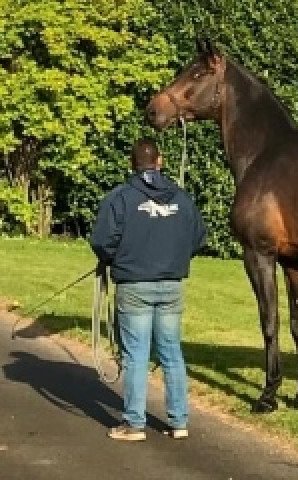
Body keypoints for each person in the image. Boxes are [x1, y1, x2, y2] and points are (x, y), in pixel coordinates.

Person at [90, 137, 206, 441]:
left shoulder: (120, 198)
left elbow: (102, 241)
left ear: (132, 163)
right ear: (160, 161)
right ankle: (179, 421)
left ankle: (134, 424)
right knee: (171, 352)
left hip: (134, 285)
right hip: (171, 285)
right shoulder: (182, 198)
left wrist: (113, 259)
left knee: (136, 354)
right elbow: (198, 237)